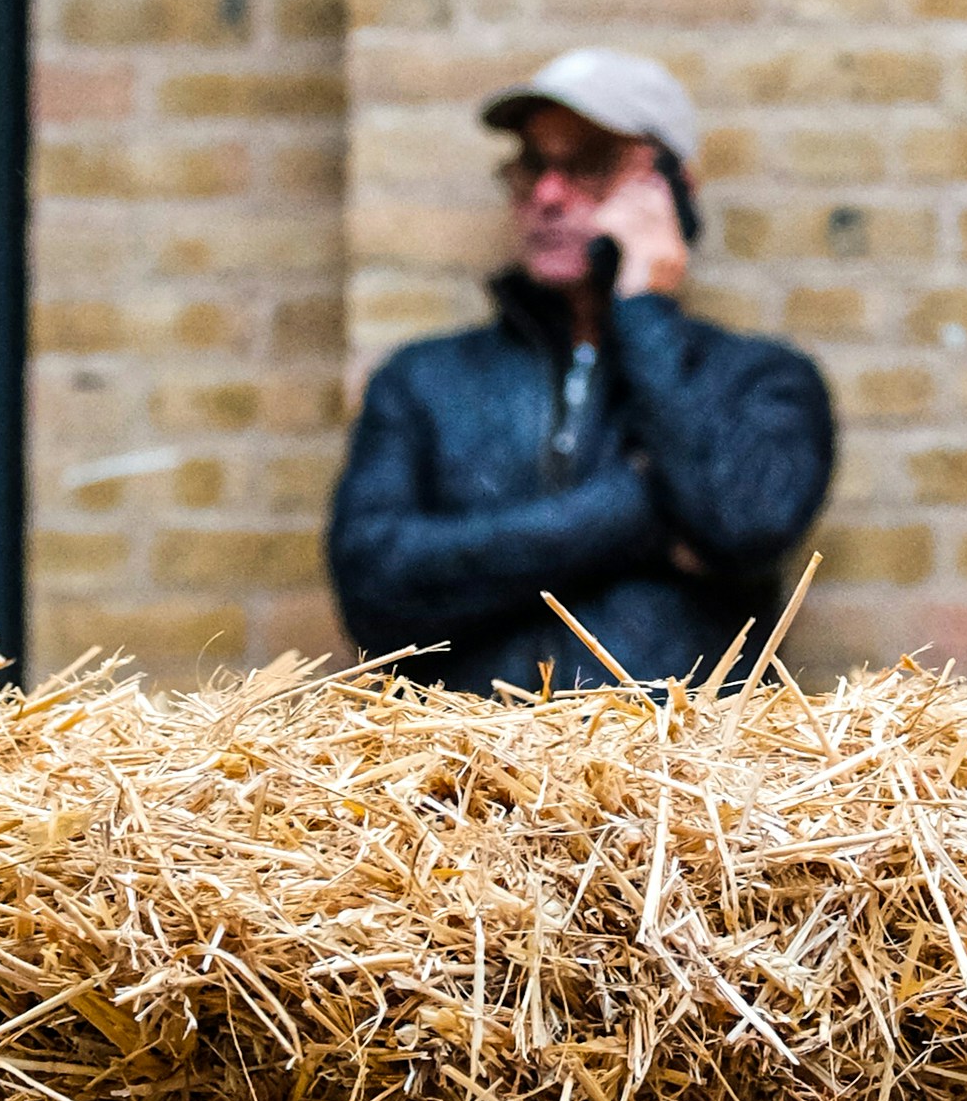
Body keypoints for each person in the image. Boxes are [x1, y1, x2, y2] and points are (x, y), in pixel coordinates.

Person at [326, 47, 836, 696]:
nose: (548, 194)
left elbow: (741, 522)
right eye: (532, 165)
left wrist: (645, 307)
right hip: (469, 786)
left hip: (674, 790)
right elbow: (374, 592)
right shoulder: (424, 382)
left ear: (675, 187)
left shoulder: (757, 381)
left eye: (590, 164)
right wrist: (639, 510)